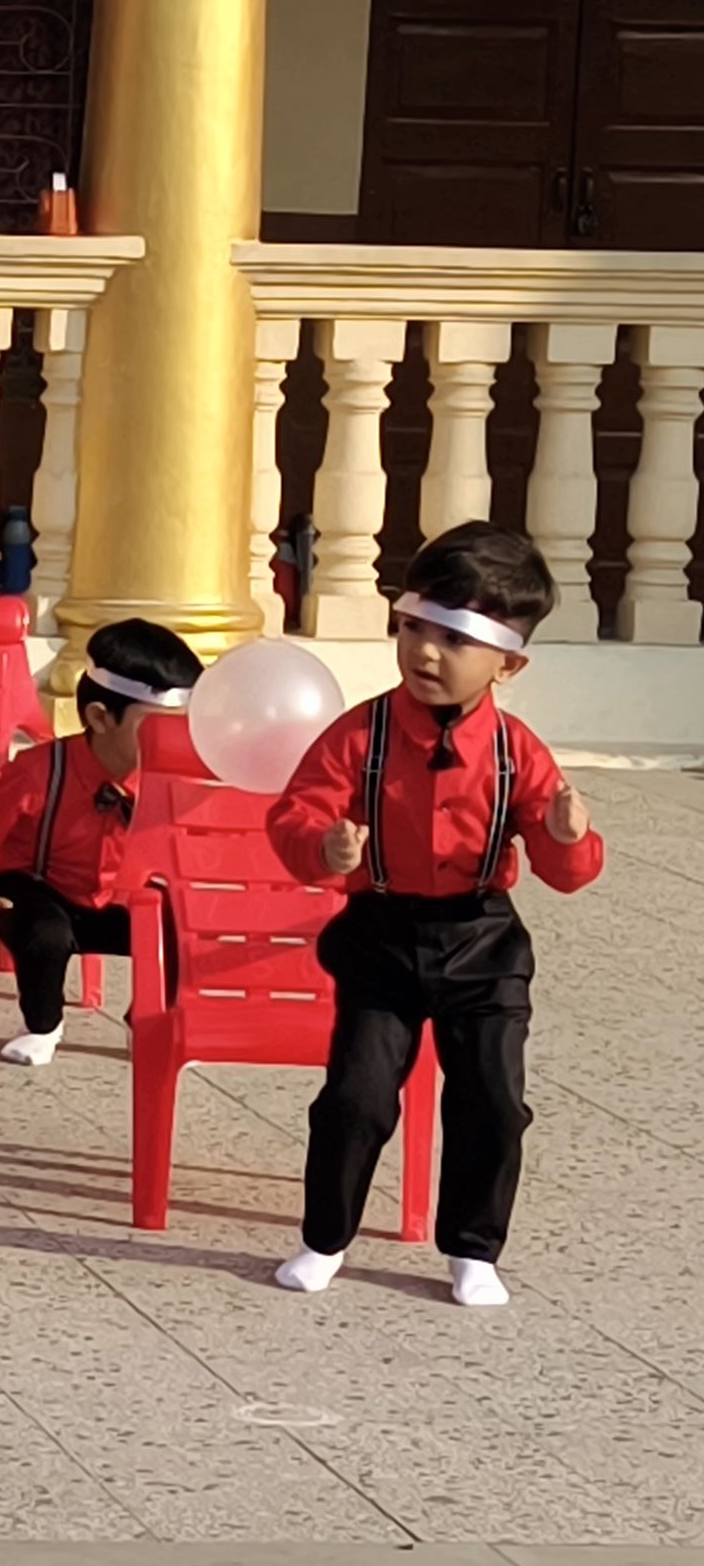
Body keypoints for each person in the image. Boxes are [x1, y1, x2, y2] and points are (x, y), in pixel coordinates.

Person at [266, 522, 602, 1308]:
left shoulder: (516, 750)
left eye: (454, 639)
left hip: (482, 941)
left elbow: (566, 872)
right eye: (415, 627)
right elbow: (295, 816)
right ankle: (325, 1238)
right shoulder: (362, 734)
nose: (425, 652)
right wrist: (326, 847)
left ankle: (473, 1249)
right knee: (355, 1098)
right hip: (380, 936)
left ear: (507, 663)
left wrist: (567, 839)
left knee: (493, 1099)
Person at [0, 618, 203, 1065]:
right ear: (100, 717)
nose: (170, 740)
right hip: (41, 890)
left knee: (185, 927)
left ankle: (149, 1022)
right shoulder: (39, 770)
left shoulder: (175, 781)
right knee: (44, 933)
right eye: (156, 727)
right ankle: (42, 1025)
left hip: (121, 900)